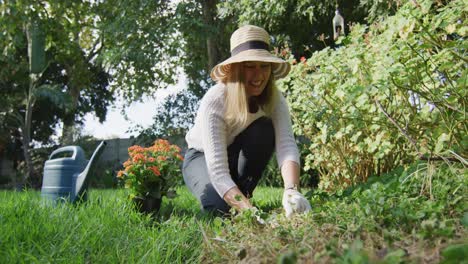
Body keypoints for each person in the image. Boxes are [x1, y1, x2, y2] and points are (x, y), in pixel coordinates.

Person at [182, 25, 311, 217]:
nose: (258, 76)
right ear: (235, 69)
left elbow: (287, 145)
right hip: (202, 157)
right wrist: (252, 214)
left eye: (264, 66)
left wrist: (292, 190)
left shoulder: (275, 99)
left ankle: (242, 196)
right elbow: (217, 170)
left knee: (264, 129)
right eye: (250, 66)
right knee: (218, 211)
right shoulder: (216, 99)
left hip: (236, 154)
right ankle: (239, 205)